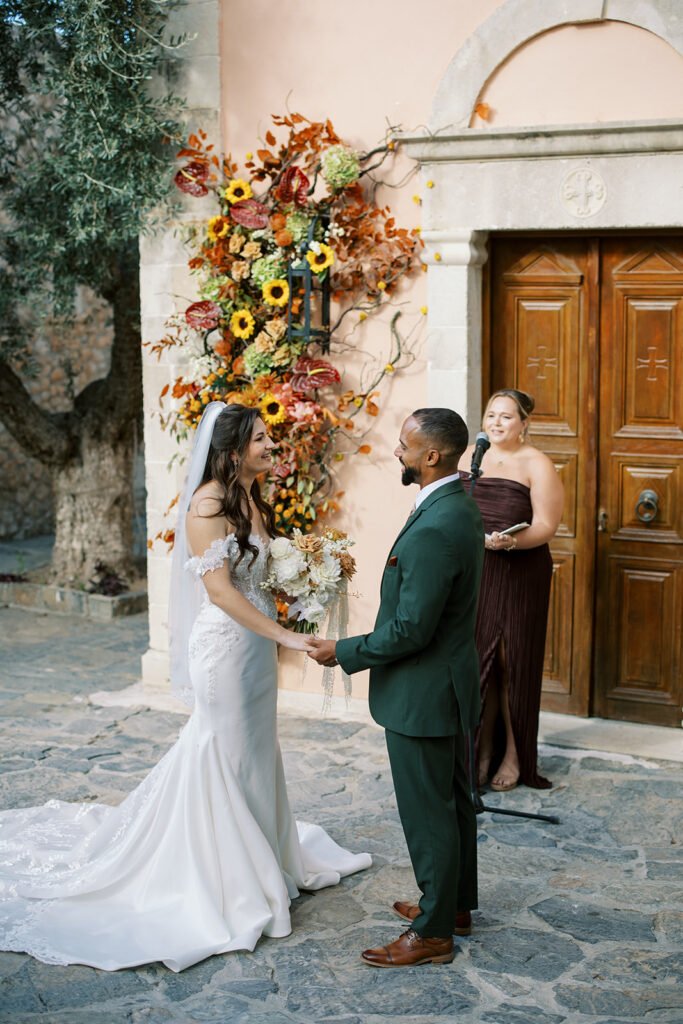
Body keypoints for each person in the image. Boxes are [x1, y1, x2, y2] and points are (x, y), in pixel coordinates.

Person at [0, 402, 370, 972]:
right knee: (222, 749)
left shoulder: (250, 497)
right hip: (226, 649)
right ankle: (225, 873)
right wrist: (284, 636)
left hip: (253, 649)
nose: (271, 446)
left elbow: (260, 575)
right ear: (233, 450)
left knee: (253, 751)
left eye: (269, 437)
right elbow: (221, 592)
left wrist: (306, 584)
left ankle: (263, 856)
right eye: (261, 439)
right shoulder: (207, 505)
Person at [309, 408, 484, 969]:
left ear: (431, 455)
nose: (396, 452)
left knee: (430, 814)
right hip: (445, 685)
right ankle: (453, 907)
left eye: (404, 444)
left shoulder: (436, 525)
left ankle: (433, 933)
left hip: (424, 693)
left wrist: (343, 651)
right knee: (452, 803)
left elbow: (411, 628)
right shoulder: (455, 506)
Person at [459, 388, 564, 792]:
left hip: (520, 572)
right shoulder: (471, 456)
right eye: (491, 414)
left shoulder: (537, 463)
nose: (496, 422)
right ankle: (481, 751)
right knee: (478, 661)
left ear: (523, 423)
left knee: (511, 662)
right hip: (478, 572)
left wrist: (510, 543)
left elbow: (547, 526)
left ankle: (515, 755)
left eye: (506, 416)